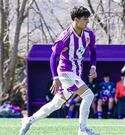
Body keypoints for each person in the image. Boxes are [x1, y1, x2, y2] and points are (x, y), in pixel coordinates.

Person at [20, 6, 99, 135]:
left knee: (55, 105)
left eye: (88, 19)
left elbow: (93, 51)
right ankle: (82, 130)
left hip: (76, 73)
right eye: (85, 19)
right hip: (65, 72)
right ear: (76, 20)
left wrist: (93, 66)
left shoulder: (89, 34)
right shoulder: (65, 37)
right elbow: (53, 57)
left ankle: (28, 120)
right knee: (89, 95)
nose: (87, 22)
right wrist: (56, 78)